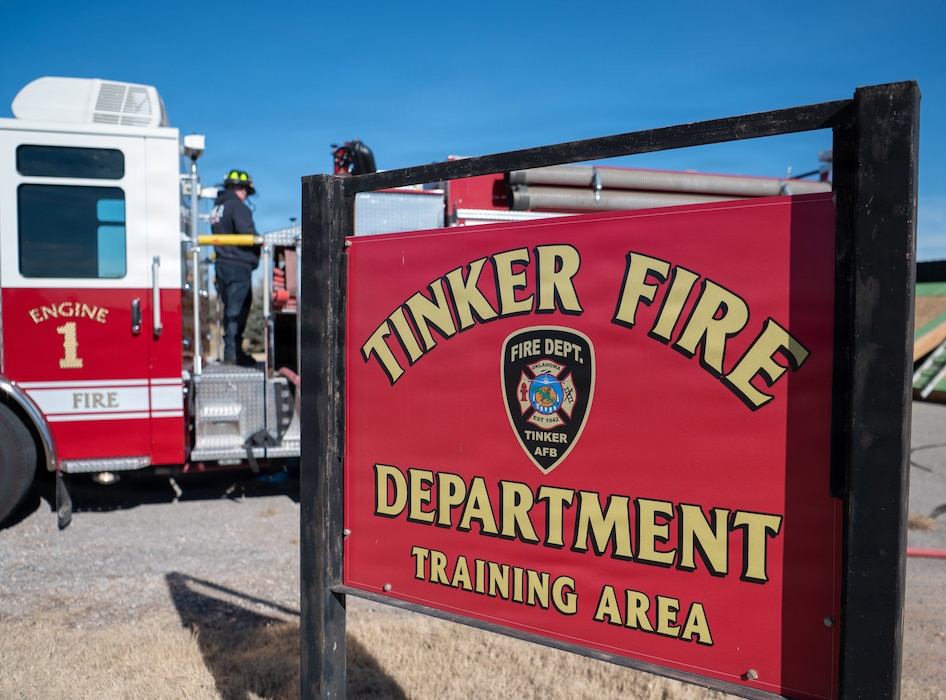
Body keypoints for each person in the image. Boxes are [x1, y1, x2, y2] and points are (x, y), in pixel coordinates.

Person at [210, 169, 261, 366]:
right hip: (238, 267)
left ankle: (232, 352)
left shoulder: (218, 208)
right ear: (240, 188)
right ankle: (233, 355)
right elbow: (247, 233)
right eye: (245, 190)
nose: (246, 195)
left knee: (230, 309)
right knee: (237, 311)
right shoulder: (237, 207)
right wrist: (260, 242)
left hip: (222, 265)